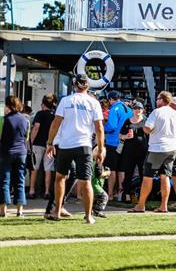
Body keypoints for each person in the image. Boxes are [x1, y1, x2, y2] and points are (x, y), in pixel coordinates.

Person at [45, 74, 105, 223]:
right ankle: (88, 216)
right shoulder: (93, 103)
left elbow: (55, 123)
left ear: (73, 84)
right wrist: (101, 149)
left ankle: (57, 211)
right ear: (87, 86)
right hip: (84, 145)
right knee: (86, 181)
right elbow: (99, 129)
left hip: (65, 145)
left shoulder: (66, 101)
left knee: (60, 177)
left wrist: (50, 143)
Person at [130, 91, 176, 213]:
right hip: (171, 148)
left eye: (158, 98)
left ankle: (141, 205)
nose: (156, 101)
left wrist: (143, 127)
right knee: (165, 176)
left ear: (162, 100)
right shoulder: (175, 113)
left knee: (148, 177)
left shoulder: (156, 112)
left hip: (157, 148)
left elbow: (147, 129)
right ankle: (164, 206)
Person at [1, 95, 29, 218]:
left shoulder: (3, 120)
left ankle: (3, 211)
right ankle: (20, 211)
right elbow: (26, 138)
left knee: (4, 181)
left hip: (6, 153)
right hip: (21, 153)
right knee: (20, 181)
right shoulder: (25, 120)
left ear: (8, 106)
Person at [103, 90, 133, 201]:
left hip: (113, 142)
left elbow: (112, 126)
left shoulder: (114, 109)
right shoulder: (129, 109)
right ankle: (121, 193)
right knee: (122, 169)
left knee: (112, 169)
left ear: (111, 99)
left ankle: (110, 194)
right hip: (125, 142)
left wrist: (103, 129)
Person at [28, 94, 57, 200]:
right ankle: (47, 192)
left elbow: (36, 128)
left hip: (38, 144)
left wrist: (30, 140)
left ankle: (31, 191)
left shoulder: (40, 114)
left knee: (34, 168)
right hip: (50, 144)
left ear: (43, 105)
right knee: (48, 168)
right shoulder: (55, 115)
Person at [120, 100, 148, 202]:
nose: (137, 110)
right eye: (135, 108)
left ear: (143, 110)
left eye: (139, 108)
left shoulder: (146, 121)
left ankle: (143, 196)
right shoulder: (128, 121)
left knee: (143, 174)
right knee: (128, 173)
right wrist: (126, 136)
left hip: (143, 152)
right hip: (129, 151)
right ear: (132, 110)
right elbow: (120, 135)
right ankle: (127, 195)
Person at [90, 150, 111, 219]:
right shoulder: (97, 163)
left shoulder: (92, 163)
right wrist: (107, 173)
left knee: (94, 200)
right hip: (95, 185)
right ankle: (97, 210)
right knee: (104, 197)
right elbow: (99, 174)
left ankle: (90, 212)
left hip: (91, 185)